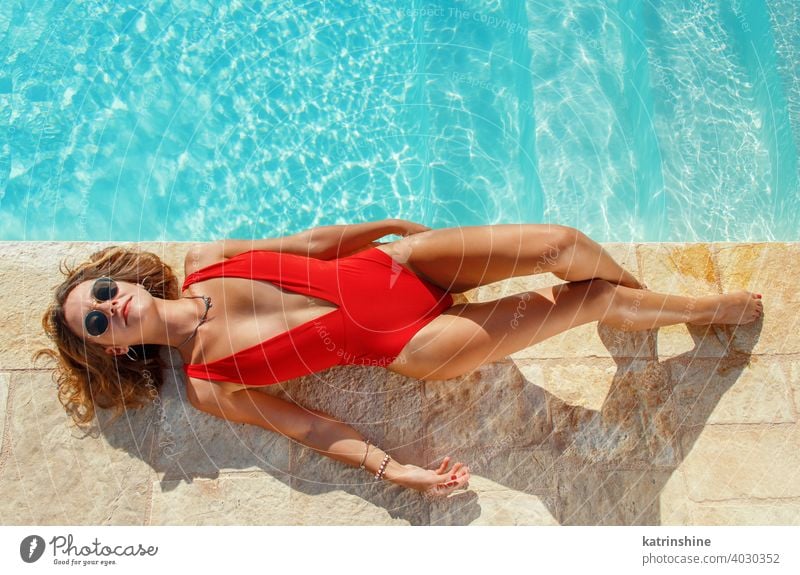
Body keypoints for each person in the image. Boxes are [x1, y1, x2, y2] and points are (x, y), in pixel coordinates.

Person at [38, 219, 763, 498]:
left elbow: (315, 249)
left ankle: (640, 309)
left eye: (104, 291)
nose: (112, 303)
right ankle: (700, 315)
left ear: (123, 277)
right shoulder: (207, 384)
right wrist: (393, 469)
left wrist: (384, 226)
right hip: (412, 346)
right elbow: (310, 427)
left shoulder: (204, 259)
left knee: (561, 245)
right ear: (116, 346)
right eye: (97, 320)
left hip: (401, 266)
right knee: (594, 297)